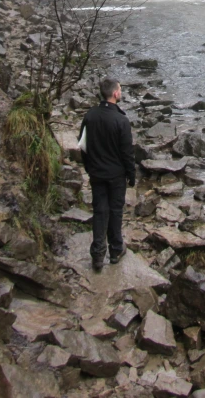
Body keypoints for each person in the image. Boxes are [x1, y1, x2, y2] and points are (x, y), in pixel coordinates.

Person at [78, 77, 135, 271]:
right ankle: (116, 250)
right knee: (115, 211)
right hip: (116, 175)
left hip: (97, 173)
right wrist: (131, 174)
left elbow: (83, 146)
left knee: (99, 211)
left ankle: (97, 255)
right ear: (116, 94)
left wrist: (88, 167)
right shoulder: (121, 120)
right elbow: (127, 152)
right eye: (120, 90)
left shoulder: (90, 115)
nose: (121, 92)